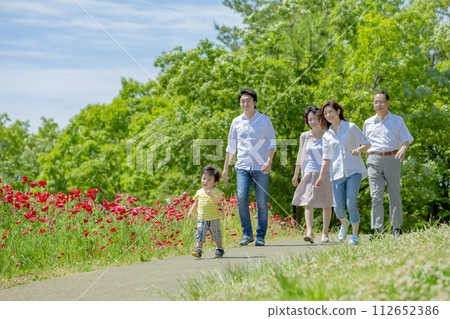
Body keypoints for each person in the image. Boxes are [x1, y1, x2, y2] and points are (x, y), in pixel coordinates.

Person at [223, 88, 276, 247]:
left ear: (254, 102)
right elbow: (231, 146)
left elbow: (272, 142)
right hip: (242, 167)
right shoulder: (236, 122)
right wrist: (225, 168)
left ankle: (260, 236)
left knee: (261, 202)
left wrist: (269, 160)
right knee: (241, 199)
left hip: (261, 167)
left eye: (248, 101)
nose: (245, 104)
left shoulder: (264, 120)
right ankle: (247, 234)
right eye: (242, 101)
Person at [315, 100, 371, 245]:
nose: (328, 115)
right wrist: (321, 177)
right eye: (325, 113)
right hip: (337, 173)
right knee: (338, 207)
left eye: (330, 112)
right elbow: (326, 158)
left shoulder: (351, 127)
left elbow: (367, 143)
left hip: (354, 170)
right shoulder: (327, 135)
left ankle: (355, 235)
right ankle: (344, 223)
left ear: (338, 111)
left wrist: (358, 150)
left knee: (351, 203)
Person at [363, 90, 414, 238]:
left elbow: (406, 139)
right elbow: (365, 144)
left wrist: (403, 148)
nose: (378, 104)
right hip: (374, 160)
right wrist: (368, 158)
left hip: (393, 158)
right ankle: (378, 230)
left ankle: (396, 228)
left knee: (394, 194)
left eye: (381, 102)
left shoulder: (397, 120)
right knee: (376, 196)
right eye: (375, 102)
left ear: (388, 103)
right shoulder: (368, 122)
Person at [292, 106, 333, 244]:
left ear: (321, 119)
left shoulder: (328, 134)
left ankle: (325, 233)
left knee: (326, 203)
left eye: (315, 119)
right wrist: (295, 174)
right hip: (309, 172)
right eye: (310, 119)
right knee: (308, 202)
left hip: (326, 172)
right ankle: (309, 232)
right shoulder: (304, 136)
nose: (313, 122)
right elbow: (300, 155)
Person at [187, 166, 225, 258]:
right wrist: (191, 211)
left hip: (214, 219)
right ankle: (199, 249)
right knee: (200, 233)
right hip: (202, 218)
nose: (205, 181)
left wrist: (211, 195)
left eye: (209, 180)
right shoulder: (199, 192)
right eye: (203, 178)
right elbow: (196, 203)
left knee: (216, 234)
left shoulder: (215, 191)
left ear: (215, 182)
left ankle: (219, 248)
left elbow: (217, 201)